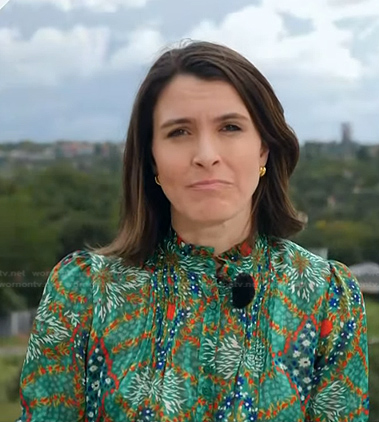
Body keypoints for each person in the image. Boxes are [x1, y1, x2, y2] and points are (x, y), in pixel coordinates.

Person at [15, 40, 369, 422]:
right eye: (179, 132)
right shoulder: (83, 292)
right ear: (152, 156)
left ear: (264, 149)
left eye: (230, 127)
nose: (205, 154)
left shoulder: (326, 295)